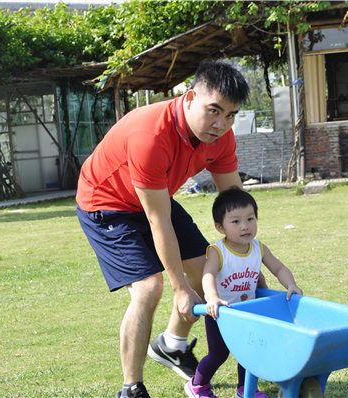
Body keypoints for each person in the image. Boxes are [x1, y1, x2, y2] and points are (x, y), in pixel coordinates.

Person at [76, 61, 252, 398]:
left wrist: (245, 259)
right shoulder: (150, 136)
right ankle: (131, 388)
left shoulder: (221, 137)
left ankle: (171, 345)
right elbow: (158, 220)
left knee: (212, 274)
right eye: (213, 111)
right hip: (106, 203)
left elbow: (235, 202)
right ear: (189, 98)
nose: (221, 124)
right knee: (149, 288)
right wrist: (180, 287)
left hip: (154, 197)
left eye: (230, 115)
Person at [185, 187, 303, 398]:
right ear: (220, 227)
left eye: (250, 219)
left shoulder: (259, 248)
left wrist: (290, 285)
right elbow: (207, 275)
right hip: (220, 313)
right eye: (236, 221)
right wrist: (212, 297)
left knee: (249, 353)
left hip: (248, 311)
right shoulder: (217, 251)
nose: (245, 226)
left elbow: (278, 268)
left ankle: (245, 388)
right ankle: (197, 385)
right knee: (218, 354)